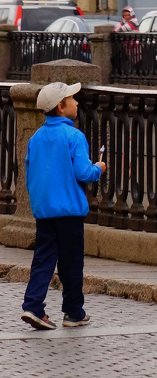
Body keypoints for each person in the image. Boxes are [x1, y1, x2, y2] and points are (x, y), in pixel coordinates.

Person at [21, 82, 106, 330]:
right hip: (69, 212)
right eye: (72, 99)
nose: (77, 102)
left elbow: (30, 172)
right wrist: (98, 169)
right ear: (61, 107)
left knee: (43, 260)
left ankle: (33, 306)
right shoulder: (74, 136)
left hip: (45, 212)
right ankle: (73, 312)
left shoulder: (36, 138)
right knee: (71, 263)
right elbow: (83, 172)